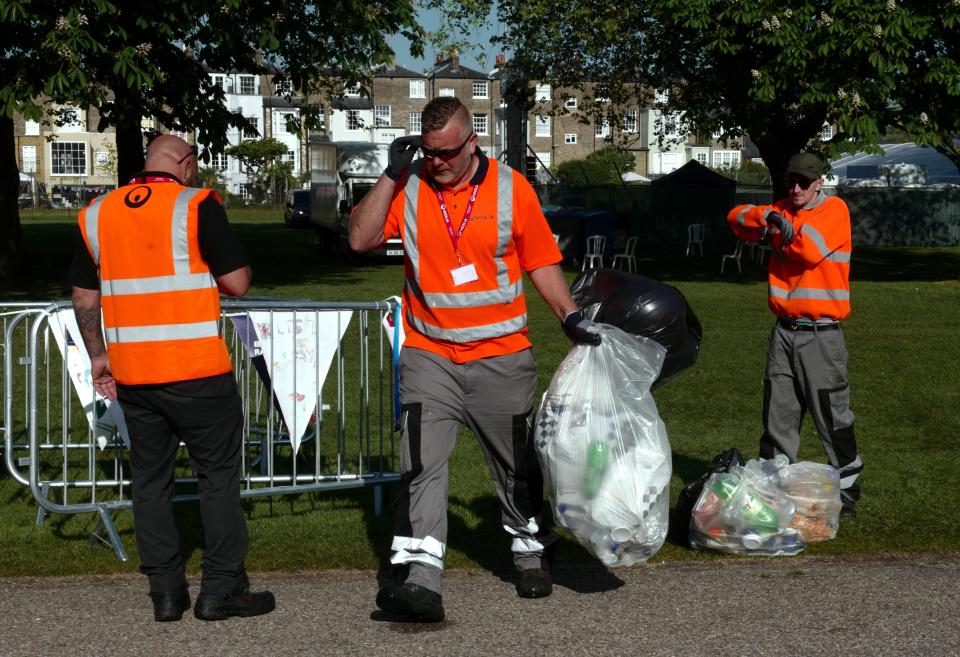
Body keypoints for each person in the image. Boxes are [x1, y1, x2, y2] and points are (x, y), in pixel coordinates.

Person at [349, 96, 600, 622]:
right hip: (429, 353)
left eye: (445, 153)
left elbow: (542, 262)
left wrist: (569, 316)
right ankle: (420, 580)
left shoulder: (512, 189)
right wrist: (392, 176)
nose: (435, 161)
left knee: (514, 464)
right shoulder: (410, 186)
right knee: (420, 461)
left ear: (472, 143)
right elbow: (359, 238)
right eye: (426, 151)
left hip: (502, 356)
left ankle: (530, 548)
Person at [68, 135, 275, 622]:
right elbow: (238, 283)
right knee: (218, 479)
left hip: (135, 376)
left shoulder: (97, 214)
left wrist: (99, 357)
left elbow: (83, 297)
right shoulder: (195, 204)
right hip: (197, 370)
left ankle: (166, 591)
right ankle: (221, 589)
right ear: (184, 165)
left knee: (150, 482)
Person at [726, 152, 862, 517]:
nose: (797, 187)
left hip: (822, 332)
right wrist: (768, 217)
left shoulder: (835, 210)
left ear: (820, 182)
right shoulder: (781, 209)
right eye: (792, 181)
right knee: (778, 410)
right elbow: (735, 219)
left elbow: (806, 249)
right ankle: (773, 483)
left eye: (805, 181)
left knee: (830, 412)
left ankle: (848, 484)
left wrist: (772, 230)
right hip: (784, 331)